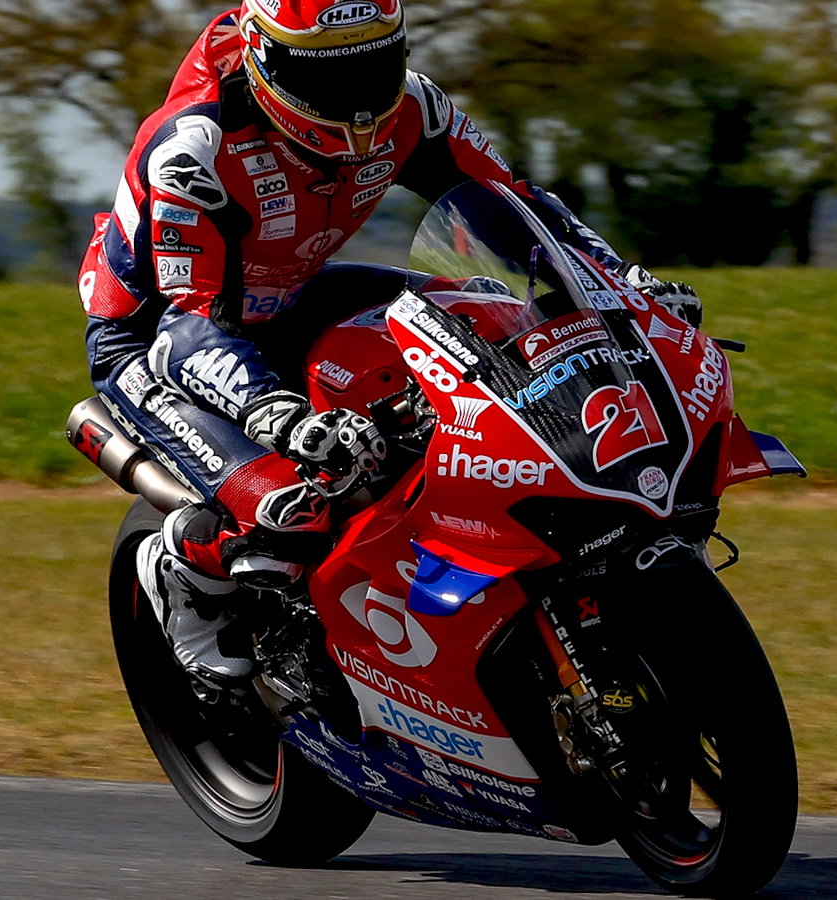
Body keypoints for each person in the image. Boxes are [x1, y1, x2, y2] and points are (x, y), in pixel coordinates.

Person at [77, 0, 697, 682]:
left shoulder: (417, 109)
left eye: (374, 66)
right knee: (293, 506)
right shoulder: (196, 149)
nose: (359, 104)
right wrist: (282, 419)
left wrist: (623, 290)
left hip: (298, 289)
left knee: (490, 321)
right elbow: (189, 327)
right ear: (261, 54)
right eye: (327, 76)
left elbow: (515, 208)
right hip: (158, 338)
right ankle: (184, 566)